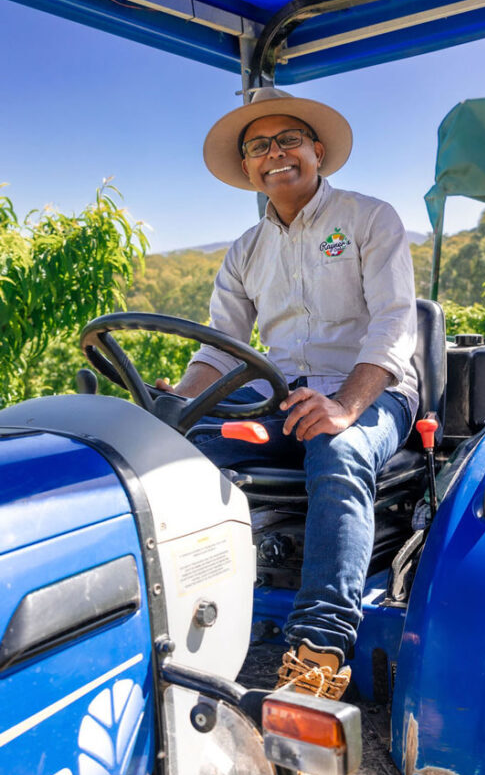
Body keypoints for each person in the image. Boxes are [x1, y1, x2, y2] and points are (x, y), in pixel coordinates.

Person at [156, 87, 417, 731]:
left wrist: (347, 406)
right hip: (283, 394)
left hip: (373, 389)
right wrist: (175, 408)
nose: (275, 154)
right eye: (258, 148)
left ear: (317, 152)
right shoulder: (245, 249)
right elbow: (220, 352)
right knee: (179, 447)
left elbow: (392, 324)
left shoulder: (368, 218)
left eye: (288, 141)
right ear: (248, 169)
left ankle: (318, 654)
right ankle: (173, 612)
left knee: (338, 447)